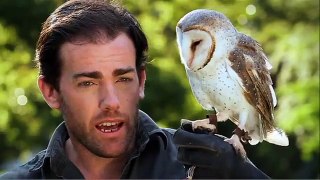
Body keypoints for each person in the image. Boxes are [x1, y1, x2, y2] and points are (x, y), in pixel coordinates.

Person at [0, 0, 269, 179]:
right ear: (50, 91)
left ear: (141, 81)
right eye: (88, 83)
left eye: (123, 79)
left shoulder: (201, 166)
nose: (111, 101)